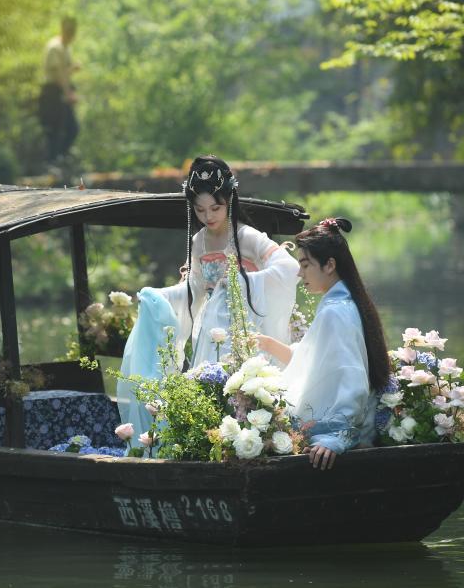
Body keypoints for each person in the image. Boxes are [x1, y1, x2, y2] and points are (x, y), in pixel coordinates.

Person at [118, 156, 299, 441]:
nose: (208, 216)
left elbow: (288, 267)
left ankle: (253, 444)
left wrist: (240, 282)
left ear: (230, 201)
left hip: (247, 330)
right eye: (200, 210)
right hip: (211, 334)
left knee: (250, 397)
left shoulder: (248, 237)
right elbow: (195, 289)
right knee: (212, 395)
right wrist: (158, 296)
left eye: (216, 208)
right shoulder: (199, 241)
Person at [256, 217, 392, 471]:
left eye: (305, 265)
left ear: (329, 265)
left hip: (344, 432)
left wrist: (335, 437)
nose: (300, 273)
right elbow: (314, 360)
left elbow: (351, 376)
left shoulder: (336, 310)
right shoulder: (343, 302)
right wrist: (269, 345)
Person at [38, 16, 80, 172]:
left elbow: (64, 74)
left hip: (62, 91)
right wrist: (68, 93)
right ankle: (51, 162)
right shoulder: (54, 47)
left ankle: (61, 158)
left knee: (71, 128)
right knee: (54, 129)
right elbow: (58, 75)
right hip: (52, 92)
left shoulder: (66, 47)